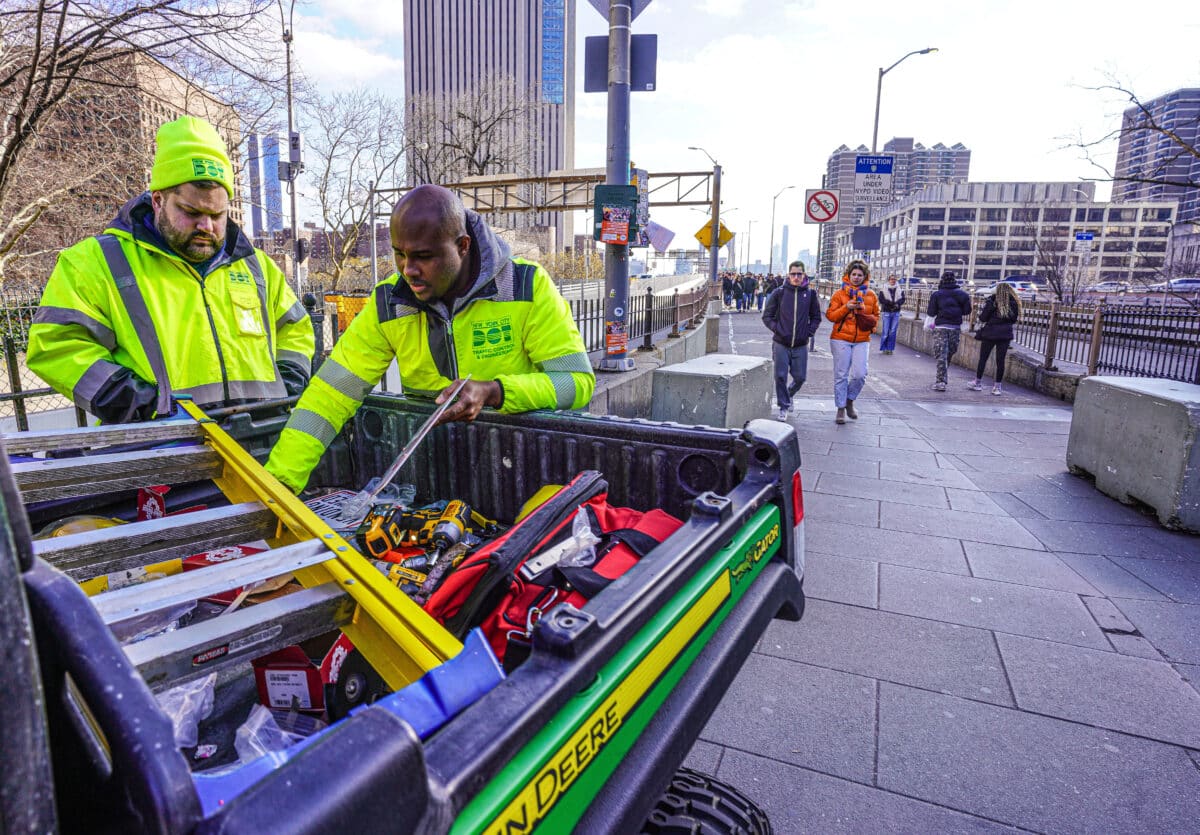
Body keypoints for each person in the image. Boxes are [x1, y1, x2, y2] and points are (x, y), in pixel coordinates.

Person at [265, 184, 596, 493]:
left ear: (462, 246)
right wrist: (278, 486)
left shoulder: (525, 286)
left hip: (519, 474)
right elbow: (329, 396)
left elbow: (577, 382)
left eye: (423, 257)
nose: (408, 270)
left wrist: (495, 391)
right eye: (399, 254)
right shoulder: (388, 304)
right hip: (434, 479)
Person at [27, 116, 314, 423]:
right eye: (191, 212)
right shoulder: (95, 262)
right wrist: (138, 404)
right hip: (157, 448)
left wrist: (288, 385)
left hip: (258, 438)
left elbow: (295, 329)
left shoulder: (256, 265)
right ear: (158, 200)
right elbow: (55, 344)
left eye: (218, 214)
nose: (207, 226)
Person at [762, 261, 822, 420]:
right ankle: (783, 406)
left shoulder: (810, 295)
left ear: (804, 275)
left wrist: (809, 332)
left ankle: (788, 396)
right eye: (793, 274)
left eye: (799, 274)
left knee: (800, 377)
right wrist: (777, 329)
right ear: (788, 275)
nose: (796, 277)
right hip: (781, 342)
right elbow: (766, 316)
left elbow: (816, 317)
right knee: (780, 376)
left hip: (801, 344)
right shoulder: (779, 293)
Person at [826, 259, 879, 425]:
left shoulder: (871, 295)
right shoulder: (839, 294)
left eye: (860, 275)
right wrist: (846, 307)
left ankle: (850, 400)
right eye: (854, 274)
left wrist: (868, 321)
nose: (856, 277)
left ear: (865, 276)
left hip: (862, 339)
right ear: (848, 275)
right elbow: (830, 316)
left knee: (860, 374)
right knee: (841, 374)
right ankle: (840, 408)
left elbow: (876, 316)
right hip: (840, 337)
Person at [926, 270, 972, 392]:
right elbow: (967, 311)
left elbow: (931, 312)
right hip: (955, 327)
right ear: (954, 280)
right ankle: (942, 378)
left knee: (942, 354)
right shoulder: (963, 295)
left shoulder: (937, 294)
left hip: (941, 327)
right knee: (949, 352)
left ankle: (940, 381)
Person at [971, 282, 1020, 395]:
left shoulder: (992, 301)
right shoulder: (1013, 303)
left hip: (990, 333)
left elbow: (983, 318)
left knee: (983, 358)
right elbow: (1013, 320)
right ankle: (997, 387)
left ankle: (977, 383)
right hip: (1005, 335)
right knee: (1000, 361)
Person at [877, 274, 906, 354]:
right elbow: (881, 300)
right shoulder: (883, 289)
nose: (893, 281)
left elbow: (903, 299)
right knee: (886, 331)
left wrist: (897, 304)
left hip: (896, 312)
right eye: (891, 279)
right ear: (888, 280)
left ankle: (890, 349)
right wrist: (890, 303)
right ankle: (884, 348)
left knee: (893, 331)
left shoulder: (900, 289)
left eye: (894, 279)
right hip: (887, 312)